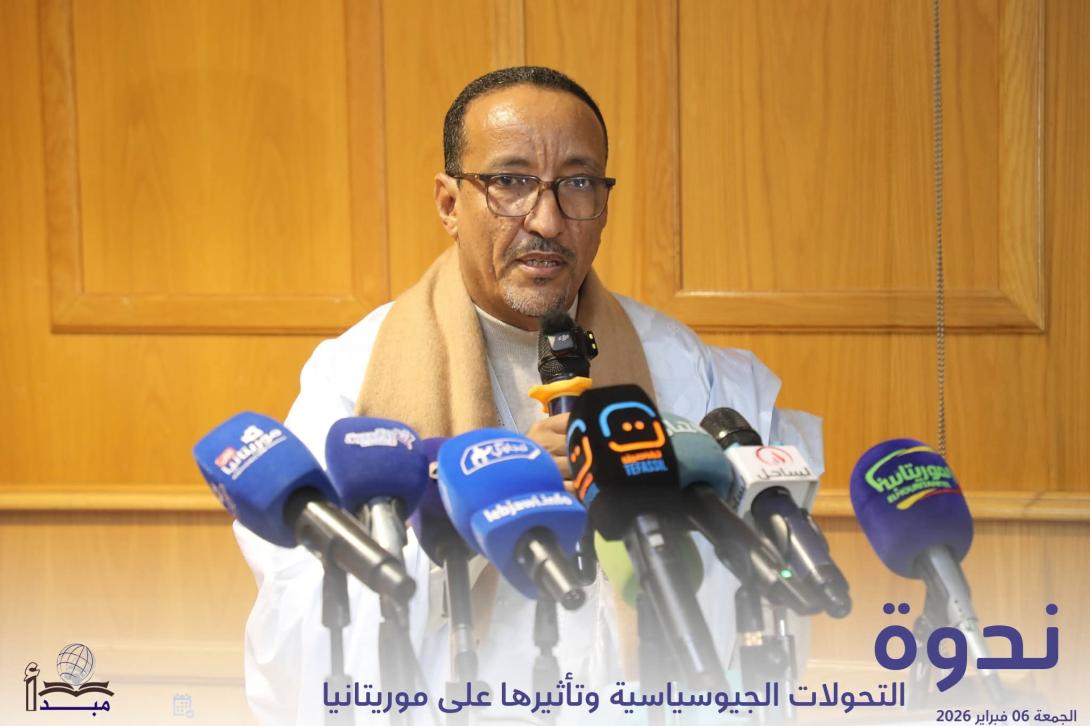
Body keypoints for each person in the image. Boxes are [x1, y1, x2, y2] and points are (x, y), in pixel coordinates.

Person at [234, 66, 822, 724]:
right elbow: (298, 627)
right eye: (511, 182)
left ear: (604, 204)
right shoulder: (353, 378)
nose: (546, 220)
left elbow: (763, 620)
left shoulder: (688, 372)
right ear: (449, 204)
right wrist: (480, 512)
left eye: (577, 183)